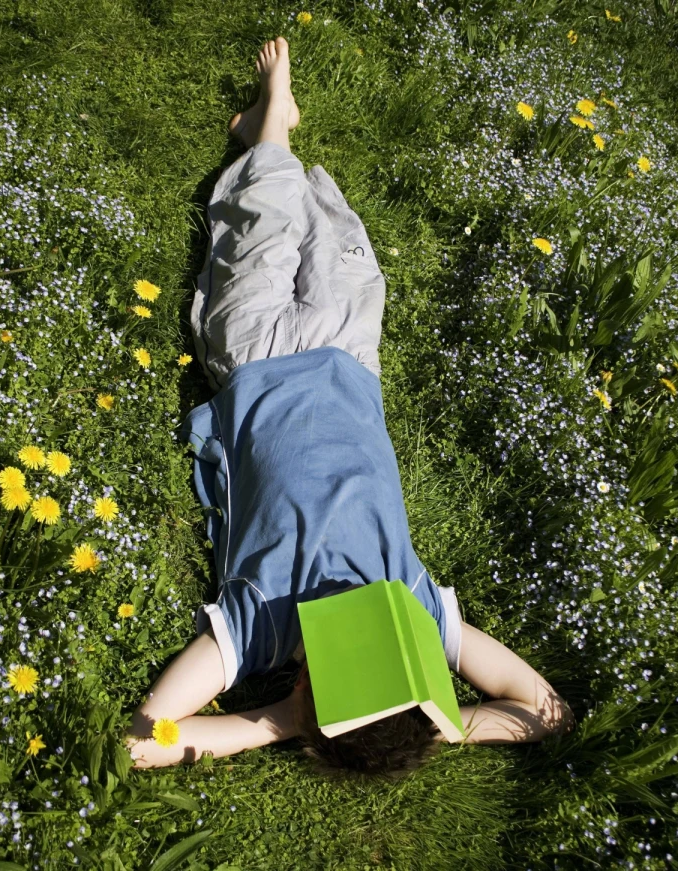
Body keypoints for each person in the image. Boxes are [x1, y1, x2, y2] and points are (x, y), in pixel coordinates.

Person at [125, 36, 573, 778]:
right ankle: (268, 137)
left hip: (261, 356)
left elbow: (145, 740)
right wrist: (441, 724)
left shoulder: (264, 622)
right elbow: (547, 712)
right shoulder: (415, 609)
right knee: (337, 241)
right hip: (347, 354)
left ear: (306, 688)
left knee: (264, 222)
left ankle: (271, 125)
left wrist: (281, 723)